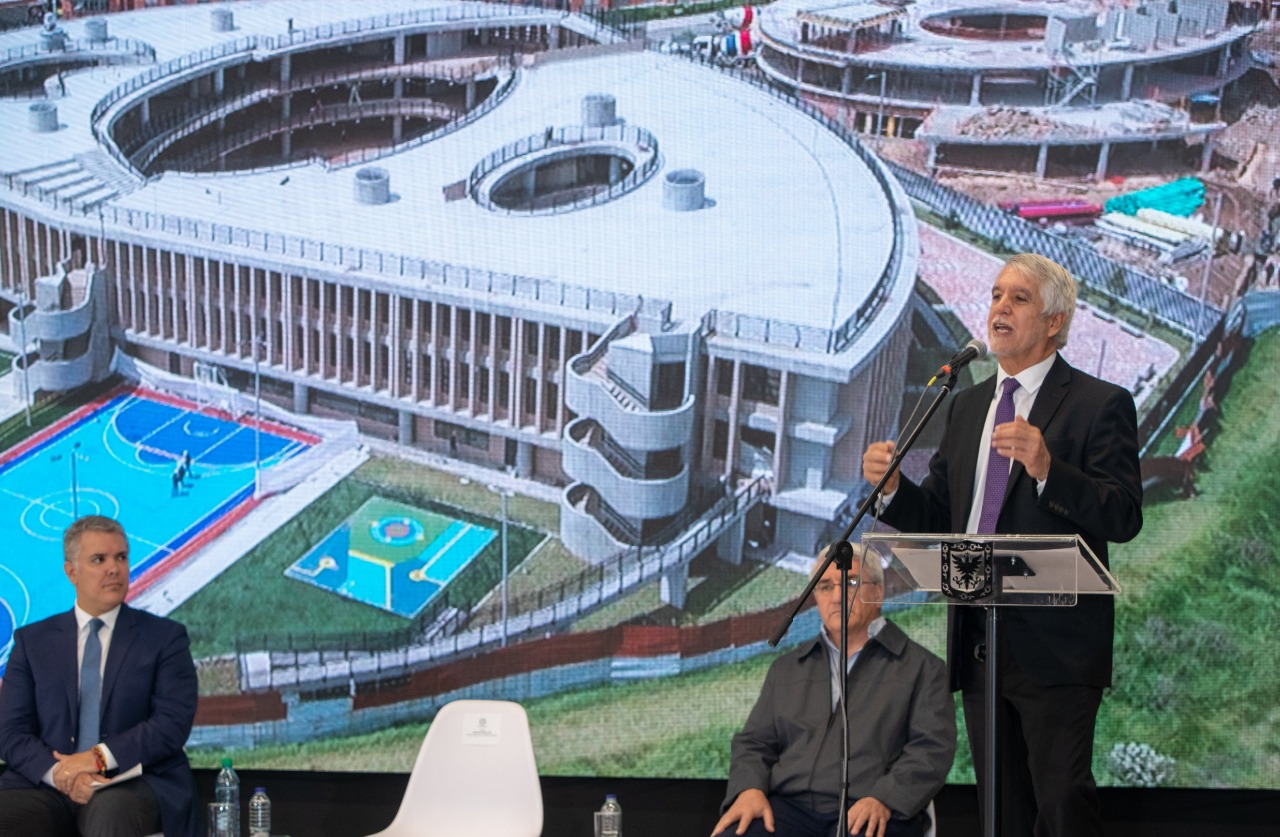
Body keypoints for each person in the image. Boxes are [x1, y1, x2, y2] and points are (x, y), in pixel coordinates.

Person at [861, 253, 1143, 837]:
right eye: (994, 295)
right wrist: (893, 492)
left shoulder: (1099, 404)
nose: (999, 308)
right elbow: (942, 515)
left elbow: (1123, 514)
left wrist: (1047, 468)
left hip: (1057, 649)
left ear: (1054, 322)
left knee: (1062, 803)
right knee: (1002, 812)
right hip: (981, 642)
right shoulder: (966, 407)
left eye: (1017, 298)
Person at [712, 546, 955, 837]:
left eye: (850, 582)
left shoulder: (922, 668)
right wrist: (749, 789)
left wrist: (885, 798)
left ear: (877, 593)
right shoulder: (787, 668)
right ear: (816, 598)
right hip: (790, 809)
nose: (837, 595)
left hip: (871, 808)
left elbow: (931, 751)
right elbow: (754, 743)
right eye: (825, 586)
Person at [0, 515, 200, 837]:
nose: (114, 569)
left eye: (121, 557)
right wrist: (62, 773)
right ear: (71, 572)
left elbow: (170, 726)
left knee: (109, 816)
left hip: (133, 782)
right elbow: (11, 733)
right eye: (99, 559)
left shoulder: (164, 639)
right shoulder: (32, 642)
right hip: (47, 783)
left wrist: (95, 760)